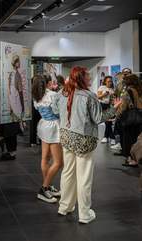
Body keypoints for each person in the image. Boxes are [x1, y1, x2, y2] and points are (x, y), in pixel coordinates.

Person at [52, 66, 120, 224]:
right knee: (84, 177)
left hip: (66, 136)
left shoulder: (62, 93)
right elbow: (98, 118)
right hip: (84, 139)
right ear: (82, 78)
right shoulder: (89, 96)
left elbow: (55, 110)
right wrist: (113, 109)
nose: (90, 79)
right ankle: (84, 214)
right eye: (88, 77)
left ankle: (64, 207)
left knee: (67, 172)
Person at [32, 75, 63, 204]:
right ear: (48, 83)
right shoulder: (53, 95)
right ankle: (44, 188)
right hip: (53, 127)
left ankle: (48, 187)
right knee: (59, 162)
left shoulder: (37, 95)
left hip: (43, 125)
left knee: (45, 158)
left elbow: (38, 108)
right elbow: (57, 112)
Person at [116, 74, 142, 167]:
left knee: (128, 139)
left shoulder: (128, 91)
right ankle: (137, 158)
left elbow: (124, 107)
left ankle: (131, 160)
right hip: (140, 117)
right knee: (137, 139)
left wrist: (117, 115)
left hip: (130, 119)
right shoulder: (140, 90)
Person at [97, 76, 115, 145]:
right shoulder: (102, 88)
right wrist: (104, 94)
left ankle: (106, 137)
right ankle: (112, 137)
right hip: (102, 105)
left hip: (109, 106)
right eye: (108, 81)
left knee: (108, 122)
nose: (110, 82)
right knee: (107, 122)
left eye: (111, 81)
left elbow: (112, 100)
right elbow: (98, 97)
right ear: (105, 82)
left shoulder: (112, 89)